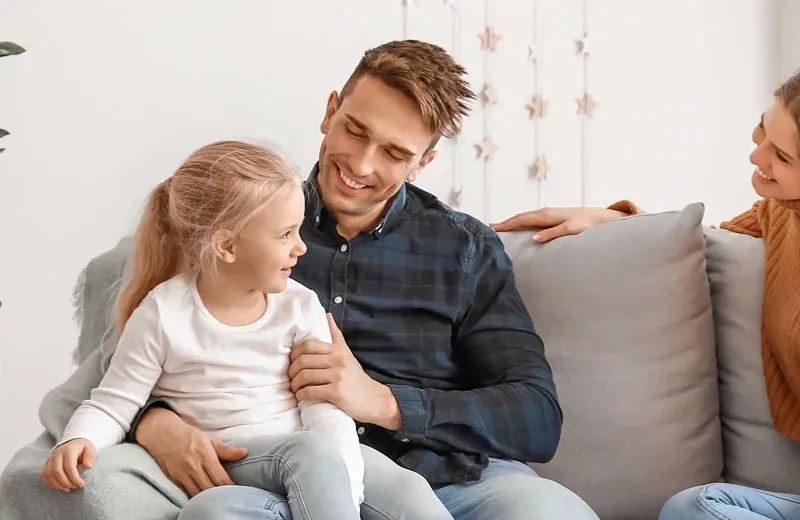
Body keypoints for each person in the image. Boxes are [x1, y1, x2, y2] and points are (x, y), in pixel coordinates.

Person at [0, 40, 601, 520]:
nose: (361, 166)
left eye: (394, 153)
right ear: (330, 109)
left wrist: (385, 403)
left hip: (442, 480)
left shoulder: (463, 249)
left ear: (424, 162)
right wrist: (156, 421)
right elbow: (131, 367)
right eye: (356, 131)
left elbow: (535, 416)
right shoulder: (240, 222)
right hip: (269, 476)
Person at [491, 70, 800, 520]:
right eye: (761, 130)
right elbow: (709, 241)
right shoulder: (780, 214)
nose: (756, 154)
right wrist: (615, 222)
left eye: (783, 157)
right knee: (692, 508)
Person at [40, 140, 380, 519]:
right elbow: (114, 402)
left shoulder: (299, 306)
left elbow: (324, 409)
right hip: (234, 459)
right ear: (227, 246)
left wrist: (345, 489)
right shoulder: (163, 314)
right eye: (285, 234)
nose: (300, 248)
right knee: (308, 455)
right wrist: (77, 439)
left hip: (310, 460)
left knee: (390, 483)